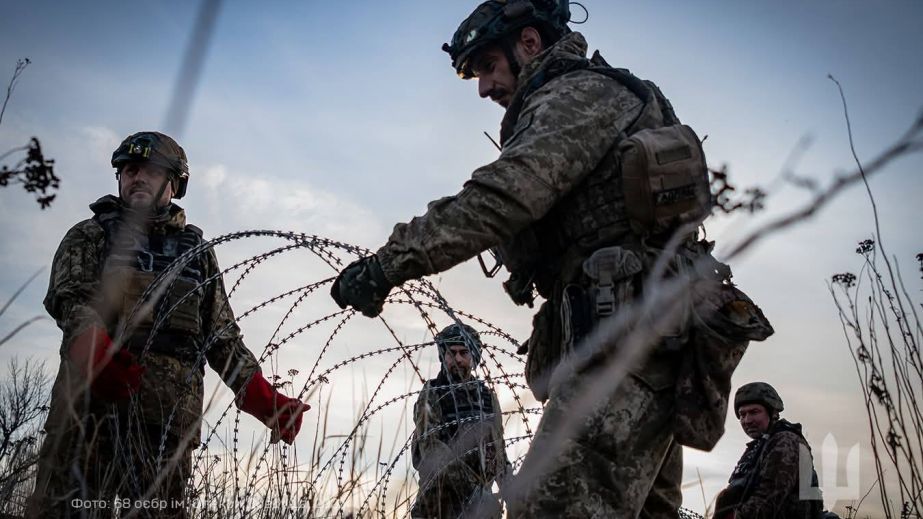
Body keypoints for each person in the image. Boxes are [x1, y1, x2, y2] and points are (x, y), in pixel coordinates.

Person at [331, 1, 772, 516]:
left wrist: (388, 264)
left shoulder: (578, 96)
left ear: (531, 44)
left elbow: (503, 196)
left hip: (626, 343)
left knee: (548, 509)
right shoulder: (590, 96)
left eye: (488, 66)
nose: (483, 88)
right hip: (639, 340)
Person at [26, 131, 310, 518]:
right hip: (85, 422)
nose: (137, 177)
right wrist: (96, 356)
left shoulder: (197, 255)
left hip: (164, 433)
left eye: (150, 170)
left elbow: (222, 339)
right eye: (129, 170)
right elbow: (72, 303)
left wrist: (264, 399)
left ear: (174, 184)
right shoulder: (90, 235)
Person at [410, 324, 510, 518]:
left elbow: (498, 449)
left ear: (474, 357)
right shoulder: (432, 393)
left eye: (464, 353)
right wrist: (474, 492)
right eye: (451, 353)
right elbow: (433, 450)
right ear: (442, 356)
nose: (457, 359)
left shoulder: (487, 397)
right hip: (439, 505)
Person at [713, 382, 826, 519]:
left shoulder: (785, 441)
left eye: (754, 412)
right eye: (742, 415)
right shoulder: (758, 447)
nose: (747, 420)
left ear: (772, 413)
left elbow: (768, 500)